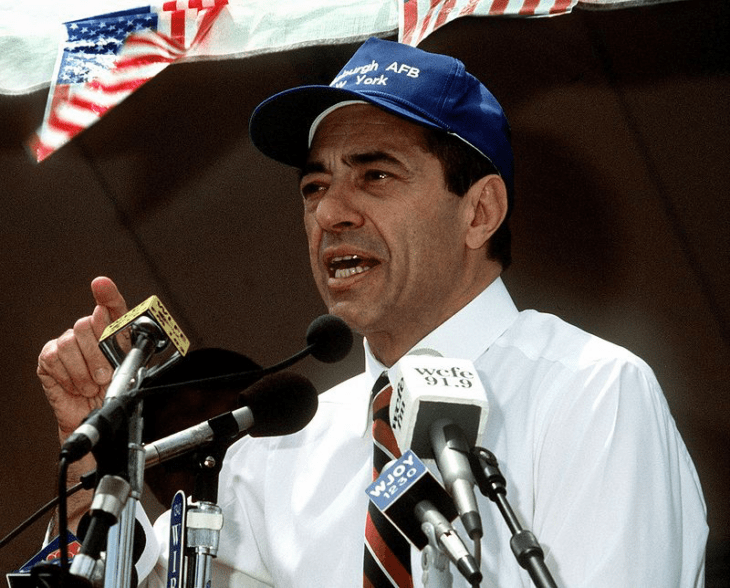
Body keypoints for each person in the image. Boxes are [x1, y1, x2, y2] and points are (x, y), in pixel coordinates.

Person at [37, 38, 708, 587]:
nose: (330, 213)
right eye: (314, 186)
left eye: (375, 175)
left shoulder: (592, 393)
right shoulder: (274, 450)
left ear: (479, 212)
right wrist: (92, 471)